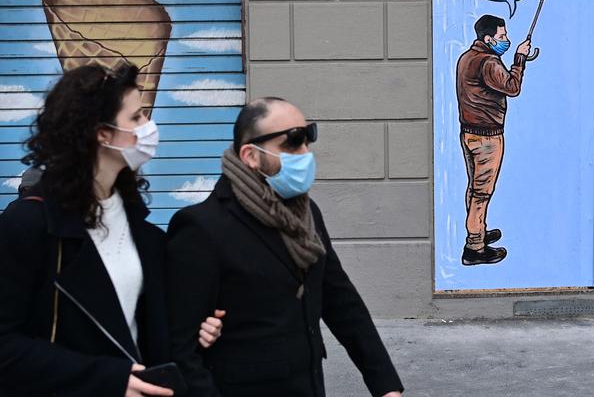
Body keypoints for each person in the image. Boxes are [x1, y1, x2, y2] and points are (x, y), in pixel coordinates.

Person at [0, 63, 222, 397]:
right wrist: (107, 379)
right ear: (101, 133)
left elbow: (139, 327)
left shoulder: (143, 232)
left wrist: (197, 330)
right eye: (136, 118)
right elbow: (6, 347)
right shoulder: (28, 225)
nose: (149, 127)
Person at [166, 97, 404, 397]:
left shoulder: (306, 213)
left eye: (307, 138)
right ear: (251, 155)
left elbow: (342, 302)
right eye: (292, 142)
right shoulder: (202, 227)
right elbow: (181, 350)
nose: (305, 152)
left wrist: (386, 386)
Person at [456, 14, 531, 266]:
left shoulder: (467, 57)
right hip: (487, 137)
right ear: (488, 39)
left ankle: (477, 231)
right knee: (482, 194)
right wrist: (519, 59)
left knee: (474, 188)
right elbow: (512, 87)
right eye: (502, 36)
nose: (506, 40)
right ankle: (474, 248)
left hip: (468, 133)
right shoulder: (489, 62)